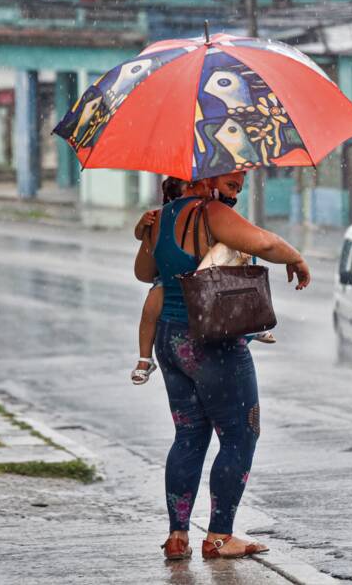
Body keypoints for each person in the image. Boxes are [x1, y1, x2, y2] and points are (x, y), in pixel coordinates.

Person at [133, 171, 311, 560]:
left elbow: (146, 274)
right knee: (240, 434)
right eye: (232, 179)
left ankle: (177, 536)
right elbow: (263, 242)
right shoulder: (209, 211)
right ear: (205, 176)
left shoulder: (161, 216)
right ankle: (219, 536)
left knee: (189, 436)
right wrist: (296, 257)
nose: (239, 183)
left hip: (171, 339)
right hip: (213, 342)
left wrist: (146, 234)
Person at [131, 176, 275, 386]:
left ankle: (254, 325)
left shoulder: (213, 213)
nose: (234, 195)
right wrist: (142, 225)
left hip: (179, 333)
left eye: (238, 189)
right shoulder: (172, 216)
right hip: (200, 323)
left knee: (191, 417)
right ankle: (144, 359)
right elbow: (143, 268)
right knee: (151, 307)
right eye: (231, 186)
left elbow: (250, 249)